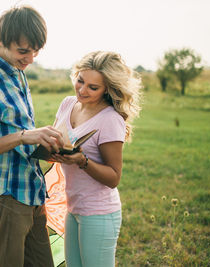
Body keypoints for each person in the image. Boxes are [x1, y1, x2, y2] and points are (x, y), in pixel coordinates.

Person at [0, 5, 64, 267]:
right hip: (7, 197)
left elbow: (20, 137)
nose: (30, 58)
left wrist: (48, 148)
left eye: (35, 51)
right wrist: (23, 136)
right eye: (23, 51)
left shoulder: (17, 72)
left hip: (32, 192)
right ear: (1, 41)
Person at [50, 51, 142, 267]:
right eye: (80, 81)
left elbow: (114, 178)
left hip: (99, 213)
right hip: (72, 208)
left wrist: (83, 162)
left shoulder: (109, 119)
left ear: (107, 89)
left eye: (93, 87)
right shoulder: (67, 104)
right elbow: (57, 147)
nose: (82, 90)